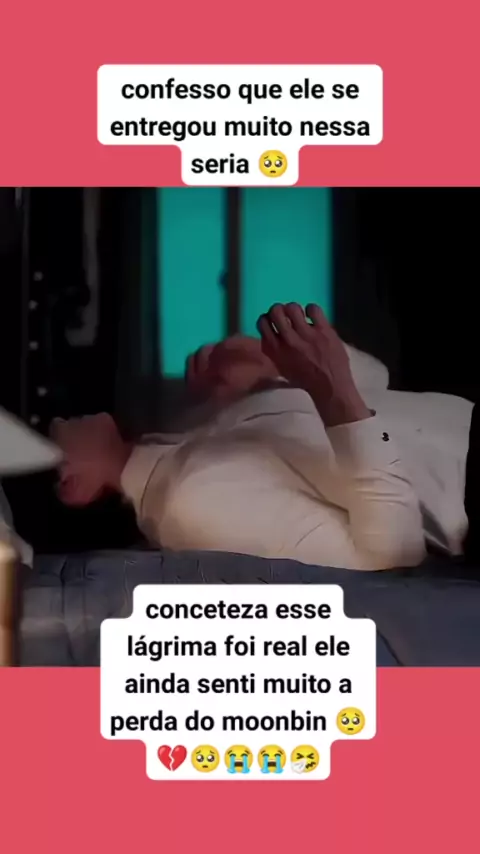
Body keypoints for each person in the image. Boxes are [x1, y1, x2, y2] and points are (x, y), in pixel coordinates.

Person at [51, 302, 466, 571]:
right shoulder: (190, 505)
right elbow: (389, 558)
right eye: (45, 433)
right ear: (73, 485)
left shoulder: (191, 430)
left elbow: (376, 384)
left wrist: (270, 366)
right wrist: (333, 393)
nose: (56, 420)